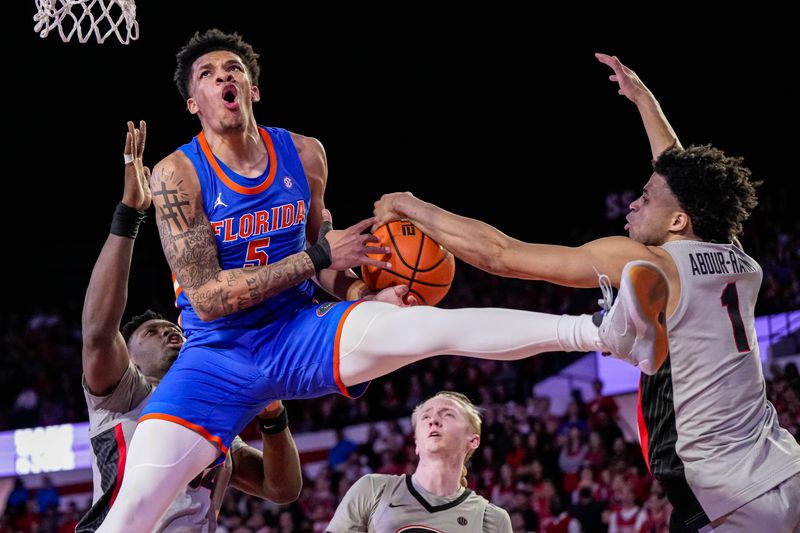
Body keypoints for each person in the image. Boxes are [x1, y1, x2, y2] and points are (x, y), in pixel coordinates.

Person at [96, 33, 667, 531]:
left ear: (252, 90)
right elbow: (207, 299)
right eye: (207, 74)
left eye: (234, 70)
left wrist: (360, 295)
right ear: (193, 101)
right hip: (216, 356)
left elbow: (326, 261)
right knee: (130, 515)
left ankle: (603, 332)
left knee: (422, 327)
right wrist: (319, 254)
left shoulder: (304, 155)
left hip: (298, 330)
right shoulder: (177, 174)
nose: (223, 77)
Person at [372, 54, 800, 531]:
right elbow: (680, 176)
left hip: (726, 496)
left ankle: (625, 327)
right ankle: (630, 324)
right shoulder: (738, 258)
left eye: (646, 197)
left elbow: (502, 255)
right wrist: (643, 101)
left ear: (678, 221)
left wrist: (412, 206)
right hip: (783, 465)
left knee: (621, 314)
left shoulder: (651, 261)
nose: (634, 201)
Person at [81, 121, 302, 532]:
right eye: (151, 333)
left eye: (172, 327)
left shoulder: (210, 409)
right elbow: (97, 331)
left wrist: (272, 414)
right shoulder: (122, 396)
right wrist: (130, 215)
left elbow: (281, 489)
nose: (171, 331)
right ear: (128, 356)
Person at [327, 391, 512, 532]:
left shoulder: (492, 519)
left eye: (448, 414)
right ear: (416, 443)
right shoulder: (373, 489)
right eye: (426, 416)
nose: (434, 420)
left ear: (473, 440)